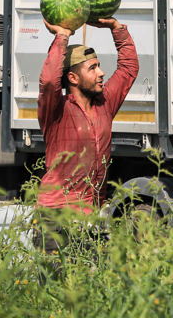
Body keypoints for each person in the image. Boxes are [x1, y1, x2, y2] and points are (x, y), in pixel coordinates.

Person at [36, 16, 138, 213]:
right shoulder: (56, 110)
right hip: (56, 214)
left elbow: (128, 68)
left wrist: (116, 28)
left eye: (98, 66)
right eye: (92, 68)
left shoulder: (104, 105)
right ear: (73, 78)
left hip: (91, 214)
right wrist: (62, 37)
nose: (101, 73)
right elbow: (49, 81)